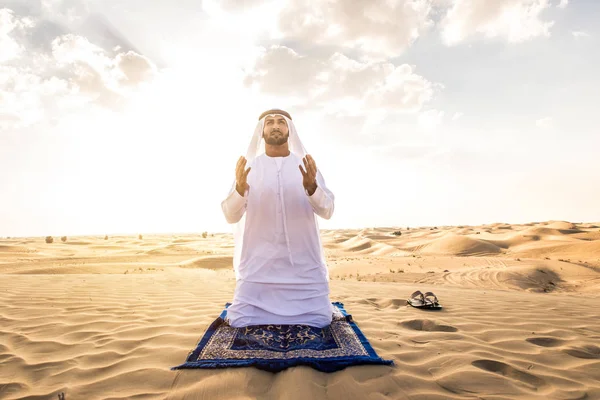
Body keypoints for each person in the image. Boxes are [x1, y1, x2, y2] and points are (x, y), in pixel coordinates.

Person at [221, 109, 335, 328]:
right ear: (261, 132)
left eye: (281, 122)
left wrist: (312, 188)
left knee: (320, 320)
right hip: (259, 270)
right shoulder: (248, 169)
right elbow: (230, 215)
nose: (275, 126)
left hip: (304, 271)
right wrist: (239, 189)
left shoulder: (306, 166)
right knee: (239, 321)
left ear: (289, 130)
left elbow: (327, 211)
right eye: (269, 123)